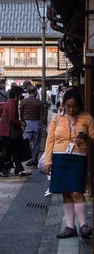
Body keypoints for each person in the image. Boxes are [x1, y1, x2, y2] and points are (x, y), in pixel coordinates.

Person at [45, 88, 94, 239]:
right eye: (68, 106)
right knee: (66, 193)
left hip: (78, 157)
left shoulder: (87, 118)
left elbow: (93, 139)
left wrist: (85, 138)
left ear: (80, 104)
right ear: (63, 104)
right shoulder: (57, 117)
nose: (72, 109)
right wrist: (48, 161)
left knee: (77, 192)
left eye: (75, 106)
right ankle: (70, 227)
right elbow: (50, 139)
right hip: (59, 157)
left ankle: (84, 226)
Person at [0, 85, 30, 177]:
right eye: (20, 95)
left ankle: (19, 169)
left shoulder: (8, 102)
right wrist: (19, 123)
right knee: (6, 151)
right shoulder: (12, 104)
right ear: (16, 95)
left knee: (15, 151)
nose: (20, 97)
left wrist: (3, 119)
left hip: (5, 131)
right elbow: (12, 119)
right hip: (8, 132)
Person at [20, 85, 46, 167]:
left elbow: (21, 113)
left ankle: (29, 158)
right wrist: (44, 123)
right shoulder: (39, 103)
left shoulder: (24, 102)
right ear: (35, 92)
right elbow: (42, 115)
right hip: (36, 123)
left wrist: (22, 121)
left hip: (27, 123)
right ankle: (35, 159)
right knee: (36, 143)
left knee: (27, 142)